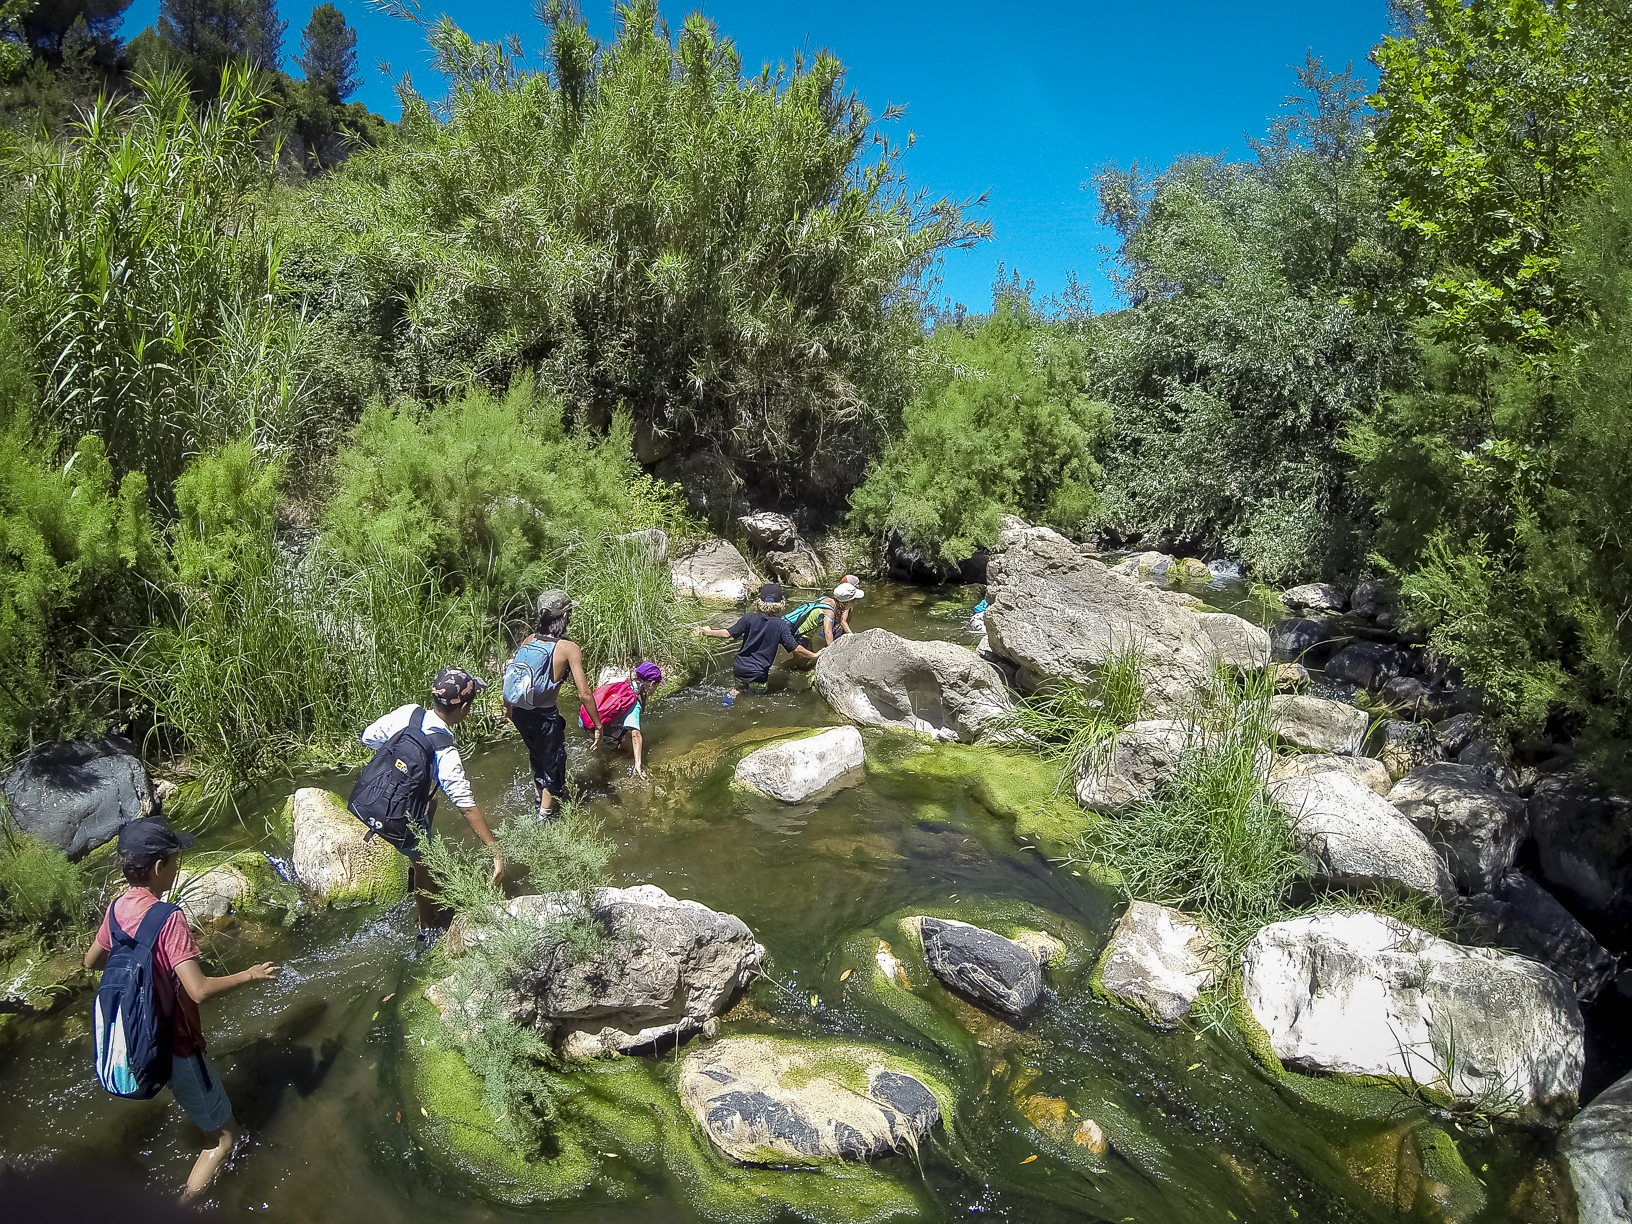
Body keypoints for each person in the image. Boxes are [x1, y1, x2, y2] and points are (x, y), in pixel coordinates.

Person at [84, 818, 280, 1205]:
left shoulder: (116, 908)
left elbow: (92, 961)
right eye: (175, 860)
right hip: (177, 1044)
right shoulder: (167, 917)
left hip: (137, 1038)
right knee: (224, 1139)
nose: (177, 867)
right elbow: (199, 989)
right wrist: (250, 975)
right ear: (159, 868)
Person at [359, 667, 504, 930]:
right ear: (463, 709)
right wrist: (495, 852)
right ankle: (428, 926)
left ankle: (416, 874)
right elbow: (466, 806)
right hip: (400, 817)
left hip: (375, 798)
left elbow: (367, 737)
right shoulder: (444, 750)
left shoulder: (409, 712)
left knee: (432, 803)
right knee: (425, 865)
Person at [503, 590, 603, 817]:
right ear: (565, 616)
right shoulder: (569, 649)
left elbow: (514, 677)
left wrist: (509, 711)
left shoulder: (529, 640)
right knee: (555, 762)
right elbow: (585, 694)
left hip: (520, 712)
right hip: (544, 718)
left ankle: (540, 795)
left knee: (537, 755)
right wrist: (598, 724)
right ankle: (544, 817)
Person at [700, 582, 818, 705]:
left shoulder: (748, 618)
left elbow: (727, 633)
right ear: (781, 604)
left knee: (740, 688)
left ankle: (729, 699)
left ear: (759, 602)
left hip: (740, 668)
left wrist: (708, 632)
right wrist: (814, 655)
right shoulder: (780, 625)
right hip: (758, 673)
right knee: (752, 700)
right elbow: (796, 648)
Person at [583, 662, 663, 776]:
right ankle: (612, 766)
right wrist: (638, 765)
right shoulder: (634, 699)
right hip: (597, 725)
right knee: (629, 745)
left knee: (604, 747)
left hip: (586, 718)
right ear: (652, 683)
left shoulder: (622, 683)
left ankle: (602, 754)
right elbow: (636, 735)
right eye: (657, 685)